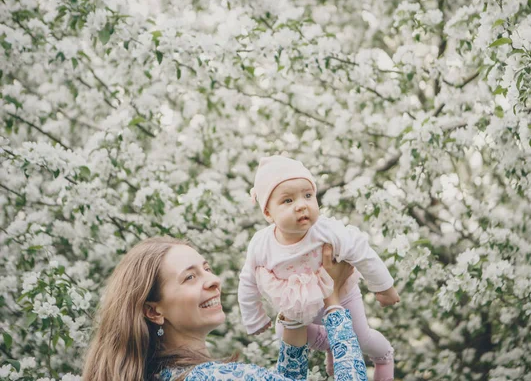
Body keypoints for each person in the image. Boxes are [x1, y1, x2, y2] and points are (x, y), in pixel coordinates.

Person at [82, 236, 368, 380]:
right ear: (154, 311)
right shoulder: (213, 377)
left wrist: (293, 319)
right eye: (190, 277)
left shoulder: (166, 374)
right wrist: (333, 302)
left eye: (207, 269)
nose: (213, 280)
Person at [238, 155, 400, 381]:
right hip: (299, 304)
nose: (301, 205)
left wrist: (383, 288)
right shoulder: (261, 245)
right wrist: (254, 318)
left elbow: (362, 252)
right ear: (268, 213)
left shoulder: (327, 230)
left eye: (307, 195)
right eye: (288, 201)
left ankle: (384, 356)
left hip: (341, 295)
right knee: (284, 334)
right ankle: (333, 346)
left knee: (360, 337)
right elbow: (247, 281)